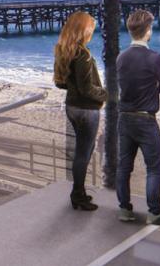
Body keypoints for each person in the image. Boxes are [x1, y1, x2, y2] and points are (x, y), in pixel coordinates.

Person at [116, 10, 160, 226]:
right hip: (146, 120)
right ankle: (155, 212)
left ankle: (124, 209)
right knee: (155, 168)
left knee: (124, 167)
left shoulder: (121, 57)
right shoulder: (155, 58)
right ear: (148, 31)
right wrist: (154, 84)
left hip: (125, 119)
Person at [53, 11, 107, 211]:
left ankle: (79, 193)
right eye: (90, 29)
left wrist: (76, 89)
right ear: (83, 30)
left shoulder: (63, 50)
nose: (92, 32)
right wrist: (107, 95)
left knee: (81, 152)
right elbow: (87, 89)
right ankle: (78, 195)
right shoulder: (83, 55)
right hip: (86, 109)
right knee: (84, 153)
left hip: (72, 107)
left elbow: (61, 83)